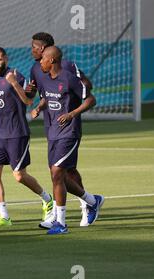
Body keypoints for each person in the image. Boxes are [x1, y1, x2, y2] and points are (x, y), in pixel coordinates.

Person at [25, 32, 96, 228]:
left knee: (64, 171)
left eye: (34, 47)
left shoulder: (67, 68)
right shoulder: (36, 69)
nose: (31, 50)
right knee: (57, 173)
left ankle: (80, 209)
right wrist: (35, 101)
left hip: (69, 129)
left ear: (44, 50)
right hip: (51, 126)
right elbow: (39, 95)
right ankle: (84, 203)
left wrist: (72, 107)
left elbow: (86, 90)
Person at [0, 47, 53, 228]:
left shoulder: (17, 76)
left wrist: (13, 83)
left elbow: (28, 101)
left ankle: (47, 199)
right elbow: (2, 101)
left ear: (6, 58)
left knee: (19, 176)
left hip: (17, 133)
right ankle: (4, 216)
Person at [37, 46, 104, 235]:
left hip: (69, 132)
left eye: (42, 59)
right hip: (53, 133)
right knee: (59, 176)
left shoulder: (69, 79)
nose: (40, 62)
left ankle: (60, 222)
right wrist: (38, 108)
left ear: (51, 60)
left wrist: (72, 114)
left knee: (58, 172)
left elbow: (91, 100)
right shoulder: (44, 79)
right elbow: (45, 100)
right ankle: (92, 201)